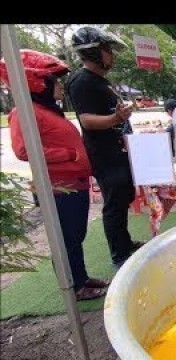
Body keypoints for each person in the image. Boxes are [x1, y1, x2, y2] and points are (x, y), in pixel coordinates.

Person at [0, 50, 110, 300]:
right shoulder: (24, 113)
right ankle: (75, 286)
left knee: (75, 235)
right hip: (60, 186)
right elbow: (23, 149)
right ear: (39, 84)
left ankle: (80, 277)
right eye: (55, 81)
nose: (60, 86)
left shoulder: (45, 111)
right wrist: (69, 155)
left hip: (75, 184)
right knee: (67, 238)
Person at [66, 26, 143, 269]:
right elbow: (87, 120)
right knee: (114, 203)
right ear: (94, 52)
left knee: (123, 197)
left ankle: (125, 242)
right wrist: (116, 119)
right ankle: (119, 255)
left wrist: (121, 115)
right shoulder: (82, 81)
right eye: (108, 50)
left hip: (117, 151)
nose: (112, 55)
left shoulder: (98, 80)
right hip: (105, 155)